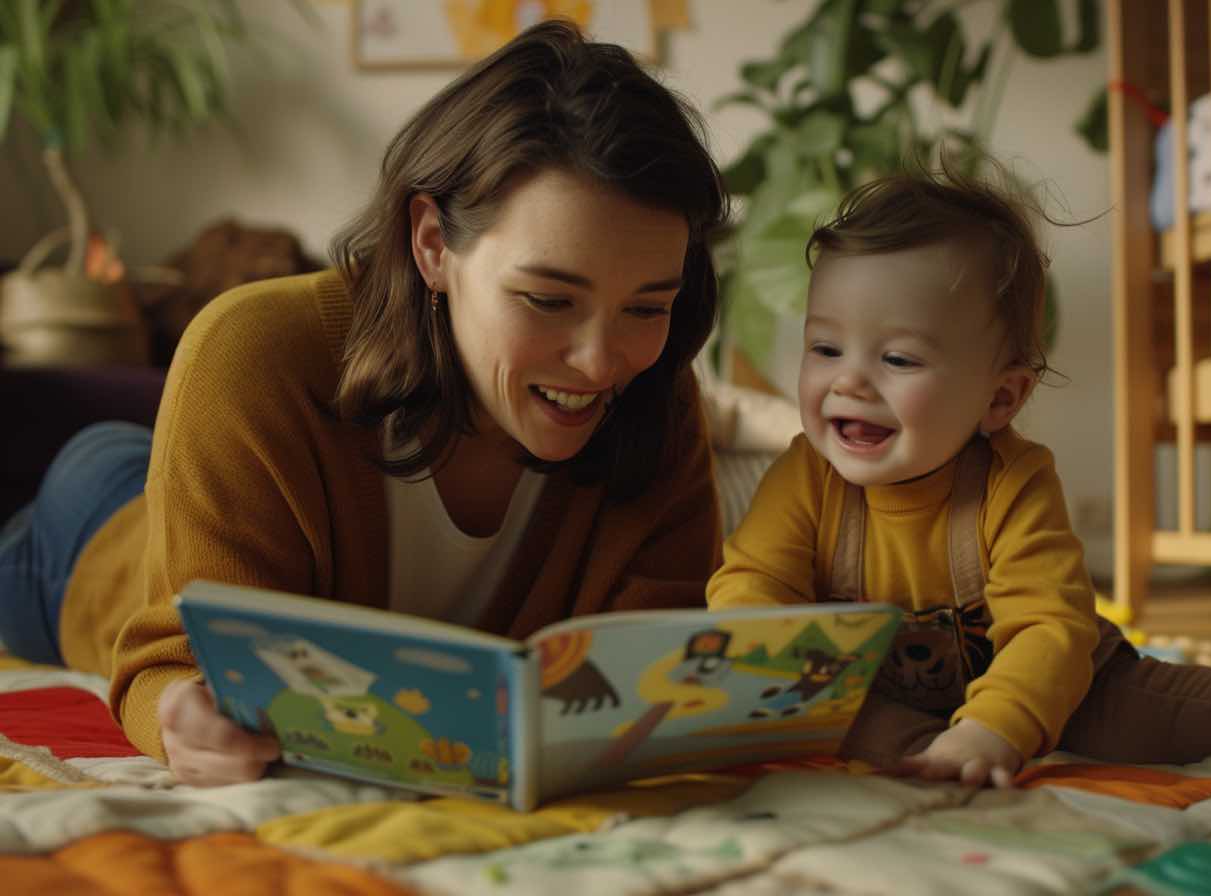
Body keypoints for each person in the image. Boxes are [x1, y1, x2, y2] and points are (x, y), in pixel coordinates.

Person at [0, 21, 729, 787]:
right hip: (89, 537)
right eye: (549, 299)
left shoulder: (652, 389)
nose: (600, 360)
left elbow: (654, 666)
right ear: (432, 245)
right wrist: (182, 708)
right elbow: (170, 659)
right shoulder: (251, 351)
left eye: (648, 307)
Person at [706, 166, 1211, 788]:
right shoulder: (805, 477)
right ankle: (921, 758)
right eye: (825, 349)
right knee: (811, 708)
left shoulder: (1013, 482)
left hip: (1057, 682)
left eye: (898, 358)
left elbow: (1048, 627)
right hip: (869, 694)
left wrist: (997, 726)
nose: (848, 380)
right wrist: (773, 657)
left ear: (1000, 399)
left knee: (1171, 708)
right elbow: (753, 584)